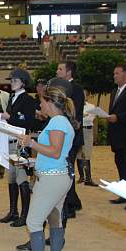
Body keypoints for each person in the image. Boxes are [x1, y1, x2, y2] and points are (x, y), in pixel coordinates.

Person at [14, 86, 77, 251]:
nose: (39, 104)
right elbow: (56, 154)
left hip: (51, 179)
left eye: (41, 101)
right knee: (55, 218)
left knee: (33, 221)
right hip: (58, 175)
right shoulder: (60, 121)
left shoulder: (57, 122)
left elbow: (55, 151)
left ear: (50, 103)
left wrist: (31, 144)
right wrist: (34, 161)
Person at [0, 68, 35, 227]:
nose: (12, 83)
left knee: (21, 178)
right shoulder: (12, 97)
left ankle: (25, 214)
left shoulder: (27, 99)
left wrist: (9, 117)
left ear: (23, 83)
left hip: (20, 144)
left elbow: (28, 122)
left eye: (15, 81)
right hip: (10, 141)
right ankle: (13, 211)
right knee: (12, 178)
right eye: (11, 80)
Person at [56, 61, 85, 217]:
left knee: (67, 171)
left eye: (60, 69)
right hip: (64, 134)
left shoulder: (76, 89)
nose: (57, 71)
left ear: (69, 72)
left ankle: (70, 206)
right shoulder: (63, 88)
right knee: (66, 170)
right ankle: (73, 201)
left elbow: (73, 113)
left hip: (71, 136)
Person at [107, 64, 126, 211]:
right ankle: (125, 194)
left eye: (117, 73)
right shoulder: (114, 91)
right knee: (121, 165)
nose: (114, 76)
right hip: (117, 137)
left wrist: (118, 117)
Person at [77, 91, 99, 187]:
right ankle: (81, 176)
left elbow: (90, 119)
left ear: (88, 96)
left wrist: (82, 116)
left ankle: (88, 178)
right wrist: (83, 115)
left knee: (87, 154)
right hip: (78, 130)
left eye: (86, 94)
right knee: (78, 153)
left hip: (87, 130)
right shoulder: (76, 105)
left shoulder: (92, 107)